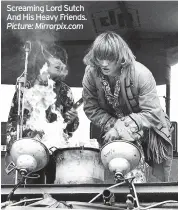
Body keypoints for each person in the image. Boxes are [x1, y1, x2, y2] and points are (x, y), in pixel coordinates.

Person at [82, 31, 173, 182]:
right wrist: (113, 125)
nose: (104, 64)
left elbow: (152, 113)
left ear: (121, 57)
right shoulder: (90, 73)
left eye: (110, 58)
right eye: (100, 58)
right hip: (111, 127)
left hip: (151, 128)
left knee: (151, 180)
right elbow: (91, 108)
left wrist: (121, 128)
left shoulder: (141, 74)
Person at [6, 42, 79, 183]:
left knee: (55, 188)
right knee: (30, 189)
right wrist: (12, 149)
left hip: (55, 148)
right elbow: (13, 119)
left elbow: (71, 128)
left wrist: (72, 120)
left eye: (63, 62)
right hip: (30, 148)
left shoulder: (65, 91)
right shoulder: (26, 87)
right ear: (45, 64)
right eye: (57, 62)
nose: (62, 65)